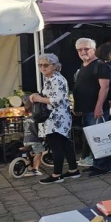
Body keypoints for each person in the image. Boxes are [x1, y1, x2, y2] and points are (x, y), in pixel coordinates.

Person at [33, 54, 79, 184]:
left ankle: (57, 174)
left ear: (54, 66)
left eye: (46, 65)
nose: (42, 67)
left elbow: (56, 99)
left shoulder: (56, 79)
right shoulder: (50, 78)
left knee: (56, 146)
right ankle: (73, 170)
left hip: (56, 118)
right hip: (56, 117)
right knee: (65, 144)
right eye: (40, 65)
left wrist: (38, 98)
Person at [73, 38, 111, 176]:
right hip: (86, 109)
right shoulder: (84, 65)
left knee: (100, 138)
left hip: (96, 110)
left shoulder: (100, 65)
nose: (83, 52)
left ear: (93, 49)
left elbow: (104, 88)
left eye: (86, 49)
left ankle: (103, 166)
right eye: (80, 49)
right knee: (92, 139)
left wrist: (98, 107)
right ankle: (97, 164)